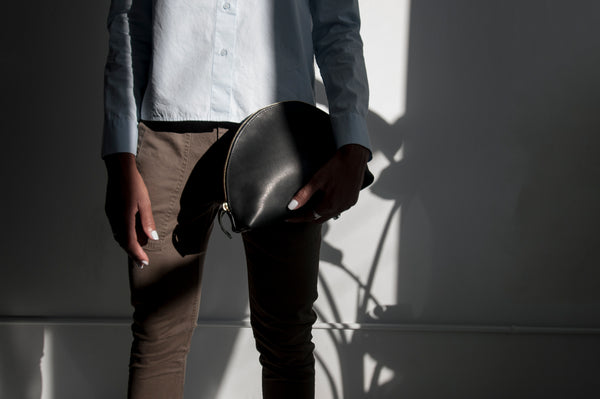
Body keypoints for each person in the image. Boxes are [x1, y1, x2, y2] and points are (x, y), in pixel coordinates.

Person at [102, 0, 371, 398]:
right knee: (157, 334)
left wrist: (353, 144)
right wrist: (120, 155)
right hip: (166, 129)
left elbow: (338, 26)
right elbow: (128, 22)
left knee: (287, 337)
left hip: (282, 137)